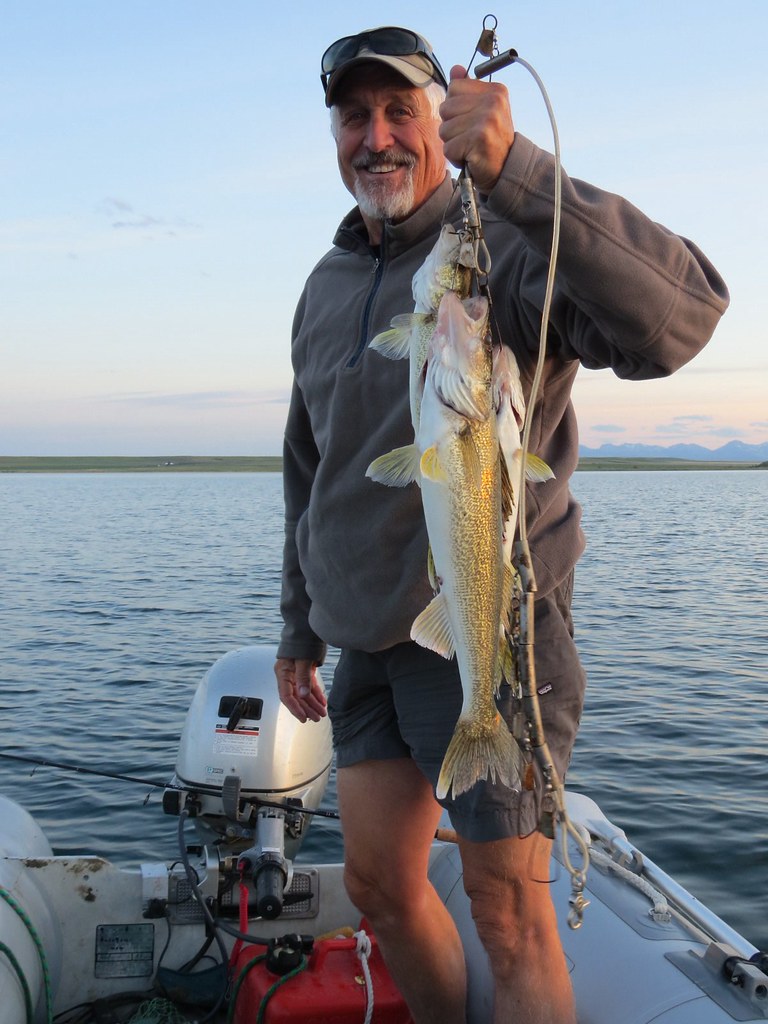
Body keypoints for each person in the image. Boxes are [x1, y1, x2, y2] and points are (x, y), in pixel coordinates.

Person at [274, 26, 728, 1024]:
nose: (378, 136)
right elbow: (312, 467)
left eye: (401, 110)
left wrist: (519, 169)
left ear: (442, 118)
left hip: (490, 634)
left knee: (509, 911)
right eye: (356, 116)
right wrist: (298, 623)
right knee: (385, 890)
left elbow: (685, 316)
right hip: (367, 650)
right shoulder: (325, 285)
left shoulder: (506, 253)